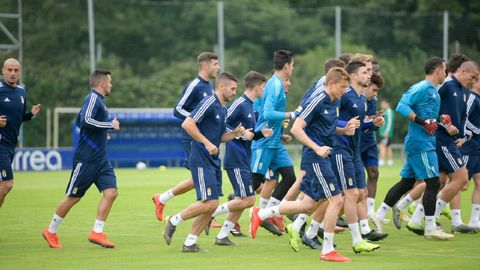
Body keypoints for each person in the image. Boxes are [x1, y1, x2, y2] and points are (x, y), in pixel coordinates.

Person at [255, 67, 354, 262]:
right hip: (315, 157)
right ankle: (327, 251)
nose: (345, 90)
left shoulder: (337, 100)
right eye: (342, 87)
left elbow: (327, 127)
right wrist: (317, 148)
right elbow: (297, 128)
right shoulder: (317, 99)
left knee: (308, 205)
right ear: (331, 84)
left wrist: (344, 130)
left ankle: (262, 213)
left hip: (324, 155)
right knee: (337, 200)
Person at [371, 57, 454, 240]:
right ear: (439, 70)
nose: (446, 74)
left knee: (407, 182)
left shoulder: (433, 91)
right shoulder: (422, 87)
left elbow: (427, 113)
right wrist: (423, 123)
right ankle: (431, 227)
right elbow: (402, 106)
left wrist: (441, 119)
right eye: (445, 70)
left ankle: (379, 214)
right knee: (433, 182)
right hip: (421, 143)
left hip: (423, 142)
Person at [162, 72, 245, 252]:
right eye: (232, 89)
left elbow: (219, 137)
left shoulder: (223, 109)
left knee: (212, 205)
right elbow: (187, 124)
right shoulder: (208, 102)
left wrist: (234, 134)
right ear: (221, 86)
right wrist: (206, 143)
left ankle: (190, 243)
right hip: (200, 158)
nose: (234, 92)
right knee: (209, 203)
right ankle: (173, 221)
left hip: (213, 160)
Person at [42, 69, 120, 248]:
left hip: (100, 159)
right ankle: (51, 231)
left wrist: (102, 133)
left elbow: (80, 121)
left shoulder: (99, 101)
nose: (110, 85)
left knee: (111, 192)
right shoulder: (92, 98)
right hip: (86, 160)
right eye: (109, 82)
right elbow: (84, 120)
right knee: (73, 197)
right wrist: (109, 125)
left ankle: (97, 232)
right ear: (102, 84)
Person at [153, 52, 220, 222]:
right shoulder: (195, 85)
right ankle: (207, 216)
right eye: (215, 64)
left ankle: (162, 199)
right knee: (202, 176)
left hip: (202, 137)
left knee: (200, 177)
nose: (218, 67)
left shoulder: (209, 87)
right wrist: (195, 119)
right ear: (205, 66)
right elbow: (178, 109)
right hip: (192, 137)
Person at [210, 71, 273, 245]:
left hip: (244, 158)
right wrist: (241, 133)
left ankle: (222, 236)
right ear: (258, 86)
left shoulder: (251, 105)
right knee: (248, 199)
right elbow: (224, 125)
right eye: (264, 87)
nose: (265, 91)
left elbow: (247, 134)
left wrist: (261, 134)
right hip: (235, 158)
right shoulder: (240, 103)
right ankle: (211, 213)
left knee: (242, 200)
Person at [331, 60, 386, 252]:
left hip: (355, 153)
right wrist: (345, 126)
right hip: (341, 149)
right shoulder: (344, 96)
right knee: (350, 194)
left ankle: (309, 229)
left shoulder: (363, 99)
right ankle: (357, 240)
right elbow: (330, 118)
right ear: (353, 76)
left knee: (359, 193)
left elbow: (360, 125)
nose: (368, 75)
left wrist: (373, 124)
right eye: (364, 72)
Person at [249, 50, 298, 239]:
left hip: (275, 142)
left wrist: (279, 130)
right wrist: (291, 115)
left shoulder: (273, 84)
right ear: (286, 66)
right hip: (264, 142)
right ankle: (218, 214)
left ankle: (267, 213)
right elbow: (268, 113)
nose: (292, 69)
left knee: (289, 176)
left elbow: (258, 107)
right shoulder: (275, 85)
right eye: (292, 65)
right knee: (252, 185)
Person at [433, 61, 479, 234]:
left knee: (458, 180)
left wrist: (462, 137)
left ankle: (428, 215)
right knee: (458, 180)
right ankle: (431, 215)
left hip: (453, 142)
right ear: (462, 71)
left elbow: (464, 118)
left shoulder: (464, 90)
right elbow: (433, 110)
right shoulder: (446, 86)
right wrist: (446, 125)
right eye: (472, 77)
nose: (473, 81)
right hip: (441, 140)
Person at [0, 58, 41, 208]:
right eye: (9, 70)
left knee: (2, 188)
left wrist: (31, 114)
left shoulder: (22, 91)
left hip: (11, 145)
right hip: (1, 144)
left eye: (16, 70)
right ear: (3, 71)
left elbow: (19, 118)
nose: (12, 73)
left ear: (19, 72)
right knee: (7, 184)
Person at [361, 73, 384, 217]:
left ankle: (370, 212)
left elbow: (368, 121)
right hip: (355, 143)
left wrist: (376, 120)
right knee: (356, 181)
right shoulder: (354, 97)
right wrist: (371, 120)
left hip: (369, 141)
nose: (375, 94)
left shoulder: (372, 99)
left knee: (374, 172)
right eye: (374, 90)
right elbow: (359, 122)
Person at [462, 77, 480, 229]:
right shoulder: (472, 98)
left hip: (478, 147)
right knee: (461, 185)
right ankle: (428, 213)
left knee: (479, 183)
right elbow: (464, 118)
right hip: (469, 147)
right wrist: (477, 131)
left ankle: (475, 221)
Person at [378, 99, 394, 167]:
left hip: (385, 133)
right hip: (385, 133)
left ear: (387, 104)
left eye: (383, 104)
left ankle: (381, 161)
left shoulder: (389, 111)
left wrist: (387, 132)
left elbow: (389, 122)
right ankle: (390, 161)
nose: (382, 105)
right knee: (388, 147)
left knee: (382, 146)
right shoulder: (386, 111)